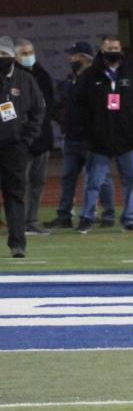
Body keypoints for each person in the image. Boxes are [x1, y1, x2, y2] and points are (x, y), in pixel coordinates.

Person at [76, 36, 133, 233]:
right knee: (94, 180)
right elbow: (80, 105)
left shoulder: (132, 73)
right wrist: (89, 130)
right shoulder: (90, 75)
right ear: (101, 50)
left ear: (121, 49)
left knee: (131, 180)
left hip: (128, 136)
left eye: (116, 47)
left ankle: (129, 219)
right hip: (99, 138)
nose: (113, 51)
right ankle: (87, 217)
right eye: (109, 48)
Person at [45, 42, 114, 228]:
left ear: (84, 57)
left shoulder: (97, 79)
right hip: (72, 137)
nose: (70, 59)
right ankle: (64, 215)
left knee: (100, 177)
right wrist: (62, 119)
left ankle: (108, 214)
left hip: (90, 138)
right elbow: (59, 105)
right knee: (68, 177)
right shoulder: (70, 80)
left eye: (74, 56)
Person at [0, 36, 46, 258]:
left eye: (5, 55)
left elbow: (38, 110)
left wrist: (25, 139)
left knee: (15, 196)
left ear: (12, 57)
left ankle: (18, 244)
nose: (2, 59)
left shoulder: (25, 80)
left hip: (14, 149)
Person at [14, 39, 57, 235]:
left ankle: (30, 221)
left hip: (41, 140)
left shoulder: (42, 75)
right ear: (15, 56)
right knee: (17, 184)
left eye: (30, 52)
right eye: (24, 53)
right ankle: (18, 222)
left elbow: (50, 106)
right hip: (20, 141)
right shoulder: (11, 77)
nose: (28, 56)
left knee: (37, 183)